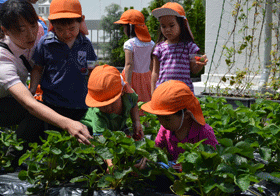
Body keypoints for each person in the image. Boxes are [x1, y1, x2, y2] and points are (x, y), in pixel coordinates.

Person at [0, 0, 93, 171]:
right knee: (36, 111)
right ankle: (10, 161)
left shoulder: (40, 32)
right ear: (5, 30)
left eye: (32, 25)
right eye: (21, 30)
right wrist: (68, 123)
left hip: (13, 98)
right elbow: (28, 103)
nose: (30, 34)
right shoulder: (2, 57)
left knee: (41, 115)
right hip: (3, 102)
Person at [30, 0, 97, 134]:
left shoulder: (85, 44)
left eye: (72, 29)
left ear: (80, 22)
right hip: (53, 105)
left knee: (79, 142)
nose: (66, 34)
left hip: (80, 104)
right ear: (52, 25)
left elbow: (93, 70)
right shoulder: (46, 43)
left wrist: (98, 93)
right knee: (54, 141)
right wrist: (31, 90)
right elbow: (38, 68)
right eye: (60, 30)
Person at [136, 80, 218, 170]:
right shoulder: (165, 128)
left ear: (186, 115)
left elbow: (214, 161)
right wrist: (146, 161)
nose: (162, 122)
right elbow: (156, 150)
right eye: (159, 117)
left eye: (167, 118)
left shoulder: (204, 132)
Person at [80, 64, 144, 171]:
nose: (108, 108)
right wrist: (110, 163)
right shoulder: (99, 114)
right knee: (96, 157)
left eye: (112, 103)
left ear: (122, 92)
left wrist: (136, 122)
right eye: (102, 105)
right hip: (94, 132)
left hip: (117, 126)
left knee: (129, 147)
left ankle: (127, 167)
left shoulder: (129, 96)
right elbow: (100, 141)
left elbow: (134, 105)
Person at [151, 2, 208, 94]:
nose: (167, 29)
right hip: (163, 93)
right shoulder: (159, 48)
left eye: (171, 25)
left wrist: (200, 63)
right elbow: (155, 73)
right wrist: (153, 93)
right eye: (163, 26)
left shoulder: (189, 47)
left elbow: (194, 70)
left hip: (184, 93)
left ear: (181, 25)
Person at [114, 9, 154, 115]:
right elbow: (151, 65)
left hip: (131, 77)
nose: (123, 30)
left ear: (130, 27)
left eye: (124, 27)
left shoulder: (129, 44)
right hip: (147, 77)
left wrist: (127, 84)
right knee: (145, 106)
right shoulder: (151, 43)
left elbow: (129, 65)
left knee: (130, 105)